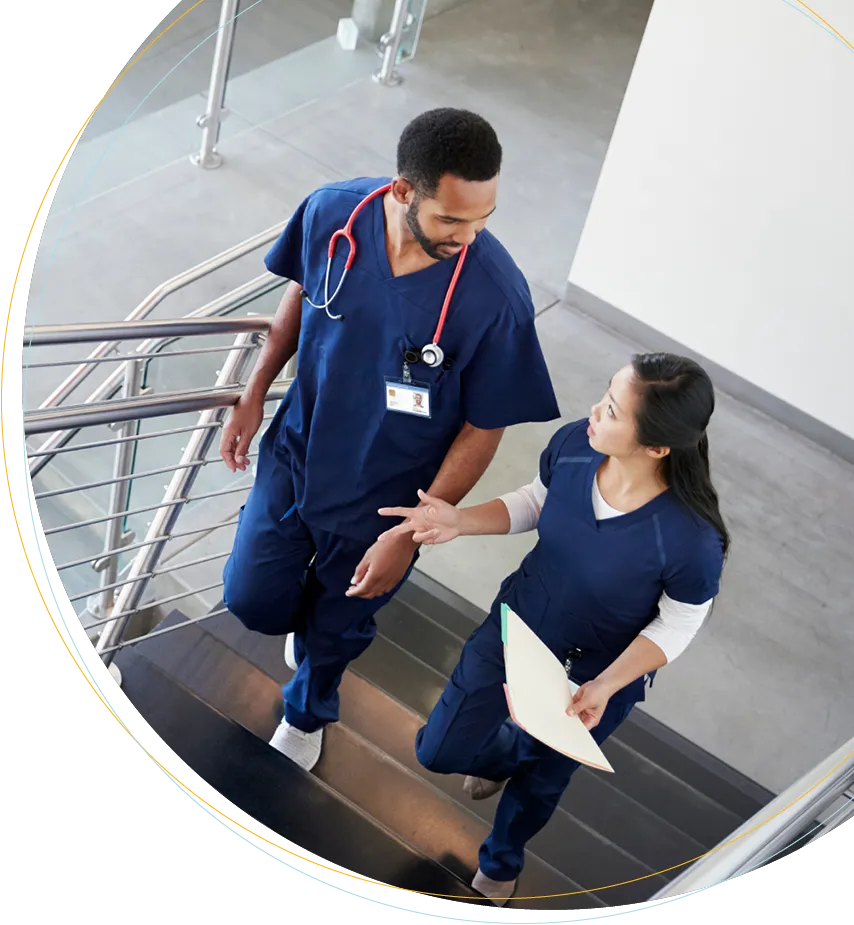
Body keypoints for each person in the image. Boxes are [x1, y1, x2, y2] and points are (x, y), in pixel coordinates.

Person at [219, 108, 560, 772]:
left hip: (388, 498)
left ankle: (307, 709)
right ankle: (306, 626)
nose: (470, 236)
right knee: (251, 599)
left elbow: (485, 424)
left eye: (484, 218)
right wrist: (255, 389)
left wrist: (413, 528)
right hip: (298, 454)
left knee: (338, 629)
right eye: (451, 220)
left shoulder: (495, 297)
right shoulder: (332, 214)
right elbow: (300, 294)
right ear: (405, 191)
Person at [378, 353, 729, 906]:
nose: (594, 411)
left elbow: (679, 622)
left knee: (543, 780)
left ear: (658, 446)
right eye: (604, 395)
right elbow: (538, 501)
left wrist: (608, 686)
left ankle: (502, 860)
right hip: (518, 627)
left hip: (593, 678)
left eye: (612, 410)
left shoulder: (691, 541)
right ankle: (502, 755)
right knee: (438, 749)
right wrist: (461, 520)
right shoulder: (574, 445)